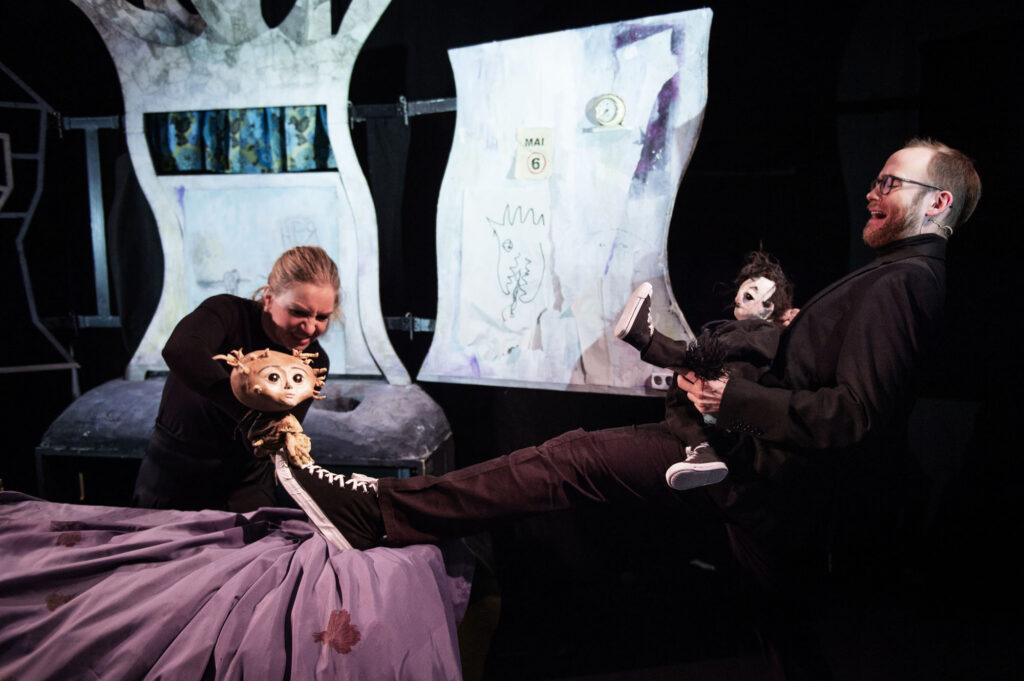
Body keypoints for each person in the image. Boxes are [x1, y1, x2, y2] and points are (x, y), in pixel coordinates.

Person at [273, 139, 981, 680]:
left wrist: (734, 397)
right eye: (877, 179)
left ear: (937, 203)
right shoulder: (899, 276)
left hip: (749, 462)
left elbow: (855, 415)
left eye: (891, 183)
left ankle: (380, 511)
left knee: (570, 460)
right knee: (783, 621)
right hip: (757, 476)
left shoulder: (905, 283)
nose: (873, 191)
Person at [132, 245, 339, 512]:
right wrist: (246, 414)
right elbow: (180, 349)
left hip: (244, 485)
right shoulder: (228, 313)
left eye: (322, 317)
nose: (310, 328)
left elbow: (269, 439)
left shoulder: (313, 363)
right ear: (268, 298)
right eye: (298, 312)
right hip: (173, 474)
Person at [613, 250, 798, 491]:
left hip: (730, 397)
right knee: (682, 411)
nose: (738, 299)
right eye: (740, 292)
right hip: (707, 409)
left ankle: (646, 338)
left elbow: (741, 351)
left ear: (768, 307)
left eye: (749, 296)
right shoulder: (738, 328)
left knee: (697, 358)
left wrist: (703, 351)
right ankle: (704, 452)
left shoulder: (766, 331)